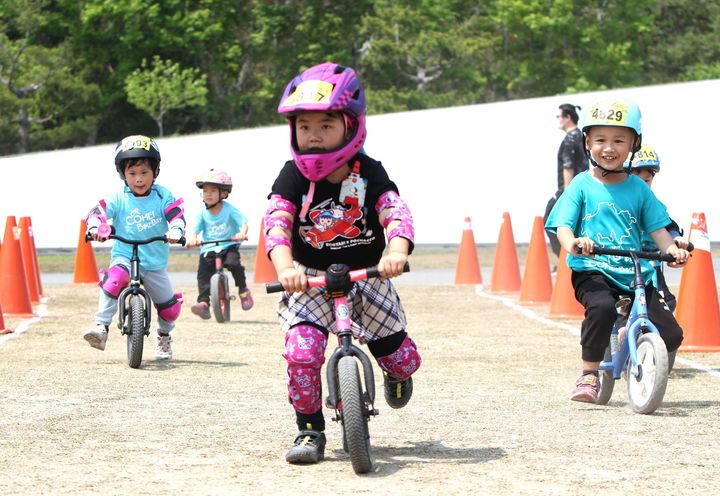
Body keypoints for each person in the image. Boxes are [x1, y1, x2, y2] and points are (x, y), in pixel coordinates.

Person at [264, 62, 422, 464]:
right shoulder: (292, 177)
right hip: (309, 282)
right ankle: (309, 431)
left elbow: (395, 212)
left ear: (351, 127)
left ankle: (396, 374)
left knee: (403, 357)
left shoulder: (369, 172)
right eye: (304, 127)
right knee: (302, 353)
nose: (313, 136)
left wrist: (397, 251)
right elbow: (276, 223)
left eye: (326, 126)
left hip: (367, 276)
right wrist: (285, 268)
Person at [545, 98, 690, 403]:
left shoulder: (638, 189)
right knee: (601, 308)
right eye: (600, 140)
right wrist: (574, 243)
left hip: (635, 272)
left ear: (633, 144)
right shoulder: (582, 184)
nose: (609, 148)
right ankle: (588, 374)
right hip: (593, 269)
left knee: (672, 333)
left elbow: (659, 231)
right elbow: (563, 226)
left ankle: (631, 345)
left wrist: (673, 249)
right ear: (587, 142)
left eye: (619, 140)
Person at [83, 135, 186, 360]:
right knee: (113, 280)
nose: (139, 179)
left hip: (155, 262)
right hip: (124, 256)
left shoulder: (162, 195)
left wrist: (176, 231)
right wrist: (95, 227)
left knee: (169, 309)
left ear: (155, 172)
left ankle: (164, 337)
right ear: (123, 174)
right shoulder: (118, 198)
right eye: (132, 174)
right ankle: (101, 327)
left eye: (144, 173)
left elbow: (176, 215)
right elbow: (97, 212)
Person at [627, 144, 688, 313]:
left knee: (667, 301)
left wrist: (676, 238)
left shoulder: (654, 203)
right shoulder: (619, 202)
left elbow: (668, 224)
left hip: (652, 262)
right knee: (623, 303)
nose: (643, 185)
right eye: (637, 180)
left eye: (647, 180)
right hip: (625, 261)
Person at [188, 169, 253, 318]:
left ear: (223, 193)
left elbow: (243, 222)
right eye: (205, 191)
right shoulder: (202, 214)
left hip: (228, 244)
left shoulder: (229, 210)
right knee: (203, 274)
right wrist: (192, 238)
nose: (208, 194)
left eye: (212, 191)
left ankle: (243, 291)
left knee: (235, 264)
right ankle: (204, 304)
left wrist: (241, 233)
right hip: (209, 247)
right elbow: (195, 229)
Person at [544, 103, 588, 259]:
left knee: (550, 220)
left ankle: (564, 258)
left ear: (568, 118)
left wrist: (567, 194)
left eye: (559, 116)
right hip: (584, 188)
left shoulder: (570, 139)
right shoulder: (582, 136)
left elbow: (568, 166)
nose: (558, 120)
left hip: (569, 190)